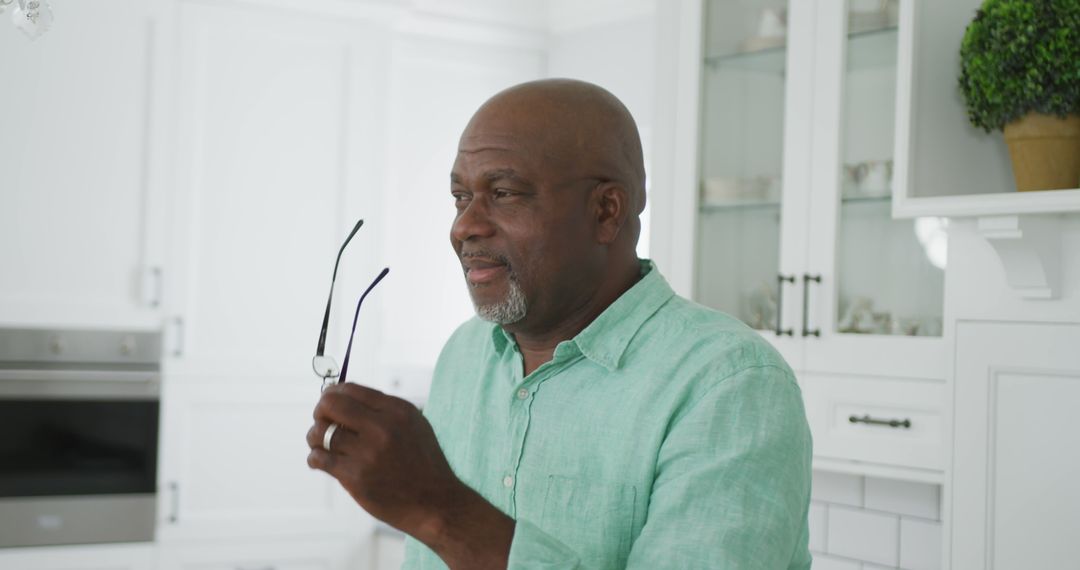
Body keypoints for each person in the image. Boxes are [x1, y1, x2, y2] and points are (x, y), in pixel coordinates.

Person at [306, 78, 813, 570]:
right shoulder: (464, 353)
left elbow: (441, 519)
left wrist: (441, 510)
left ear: (606, 212)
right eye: (461, 198)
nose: (464, 226)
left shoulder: (729, 384)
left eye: (503, 193)